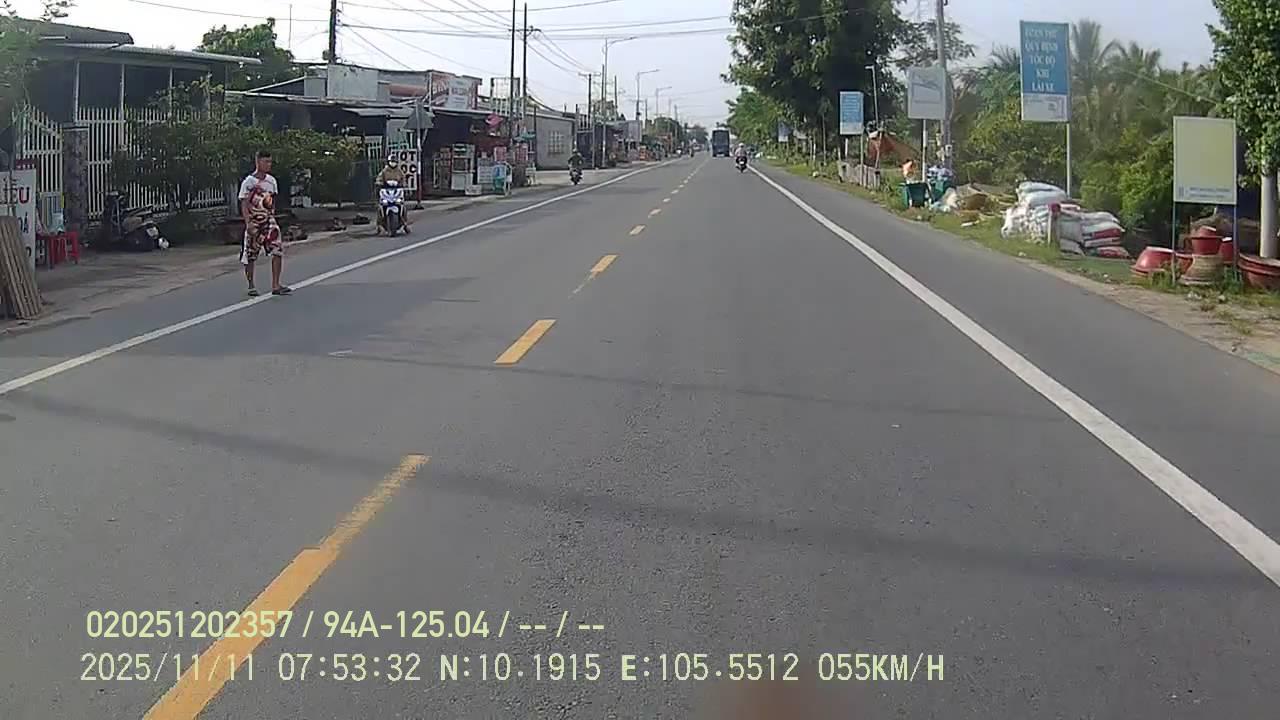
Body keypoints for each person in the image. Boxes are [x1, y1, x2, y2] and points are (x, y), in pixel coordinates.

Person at [239, 150, 291, 297]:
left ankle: (276, 284)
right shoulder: (249, 182)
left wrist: (272, 214)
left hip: (268, 220)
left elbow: (272, 200)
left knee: (277, 249)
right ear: (258, 162)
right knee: (250, 254)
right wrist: (248, 222)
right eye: (265, 162)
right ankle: (251, 285)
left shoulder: (271, 181)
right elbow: (244, 203)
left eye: (270, 162)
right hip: (254, 221)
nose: (268, 165)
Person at [373, 156, 411, 234]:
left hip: (396, 191)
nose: (393, 163)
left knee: (403, 207)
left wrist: (404, 184)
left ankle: (405, 224)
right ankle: (378, 226)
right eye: (391, 162)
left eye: (394, 162)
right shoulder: (384, 171)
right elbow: (379, 179)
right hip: (386, 191)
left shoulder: (399, 171)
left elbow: (403, 179)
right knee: (380, 207)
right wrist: (379, 183)